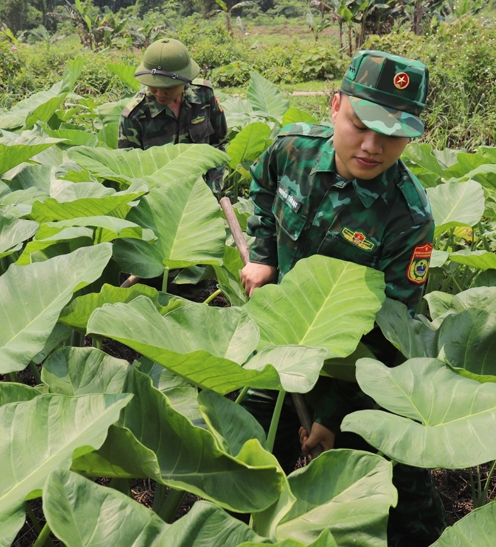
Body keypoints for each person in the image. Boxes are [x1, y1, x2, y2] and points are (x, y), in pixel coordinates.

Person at [239, 50, 446, 547]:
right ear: (335, 106)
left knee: (391, 480)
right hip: (282, 335)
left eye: (393, 135)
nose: (373, 147)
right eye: (360, 124)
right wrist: (264, 256)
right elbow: (263, 192)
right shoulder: (292, 149)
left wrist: (332, 415)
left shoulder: (408, 217)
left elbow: (389, 333)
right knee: (245, 444)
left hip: (352, 366)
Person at [118, 38, 228, 196]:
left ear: (185, 80)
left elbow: (219, 144)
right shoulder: (134, 116)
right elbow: (129, 172)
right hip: (158, 201)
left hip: (201, 195)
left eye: (168, 87)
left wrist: (212, 190)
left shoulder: (204, 95)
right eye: (154, 86)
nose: (160, 94)